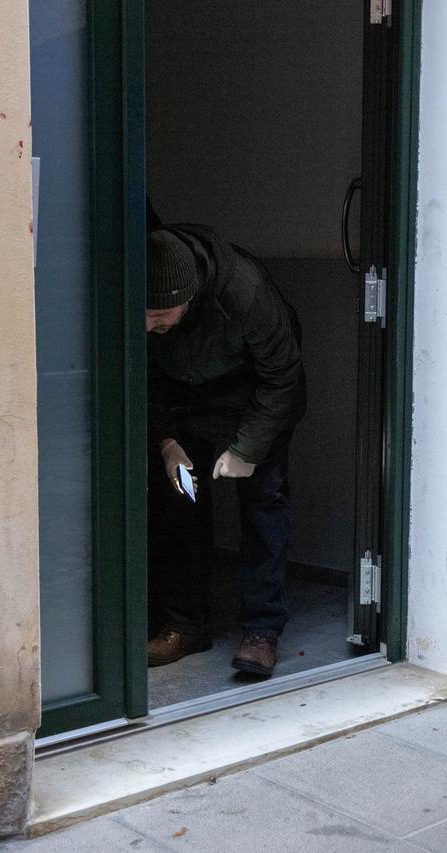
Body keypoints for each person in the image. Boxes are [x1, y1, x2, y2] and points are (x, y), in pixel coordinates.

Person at [145, 223, 306, 678]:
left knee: (262, 506)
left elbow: (283, 379)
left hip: (255, 399)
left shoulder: (246, 294)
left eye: (160, 315)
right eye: (144, 314)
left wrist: (246, 450)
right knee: (182, 502)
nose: (148, 325)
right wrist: (168, 440)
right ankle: (184, 625)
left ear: (189, 297)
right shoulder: (145, 302)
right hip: (185, 401)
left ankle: (261, 630)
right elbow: (143, 376)